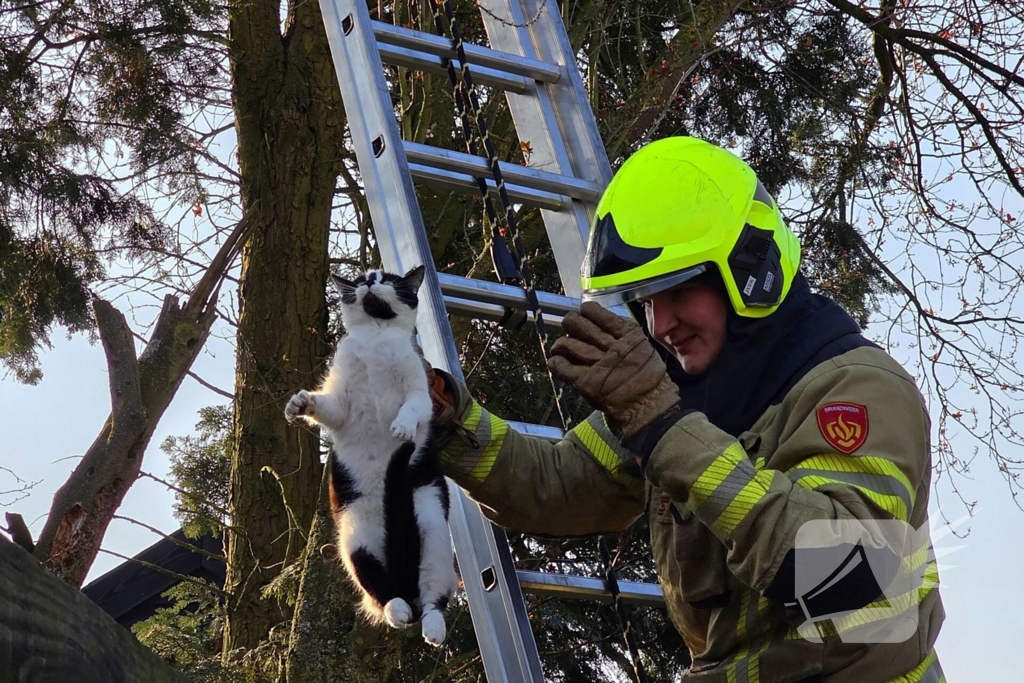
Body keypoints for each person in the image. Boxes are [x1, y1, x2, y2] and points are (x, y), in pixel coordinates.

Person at [428, 137, 944, 682]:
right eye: (645, 302)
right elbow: (552, 486)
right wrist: (441, 416)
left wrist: (665, 431)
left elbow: (845, 574)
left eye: (675, 292)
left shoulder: (857, 389)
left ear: (749, 270)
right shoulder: (674, 393)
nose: (659, 325)